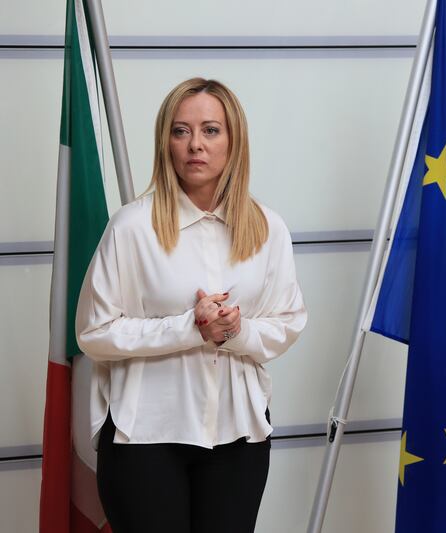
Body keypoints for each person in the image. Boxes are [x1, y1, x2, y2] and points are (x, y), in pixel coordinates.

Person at [75, 78, 307, 533]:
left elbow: (287, 322)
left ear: (233, 141)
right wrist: (189, 328)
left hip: (239, 437)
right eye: (180, 131)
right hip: (143, 437)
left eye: (210, 130)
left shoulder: (268, 229)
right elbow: (94, 333)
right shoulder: (132, 227)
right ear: (165, 142)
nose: (194, 145)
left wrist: (236, 331)